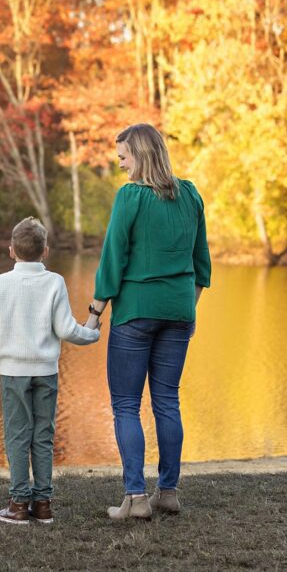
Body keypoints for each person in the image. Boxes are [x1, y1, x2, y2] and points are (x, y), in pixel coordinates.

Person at [85, 123, 211, 520]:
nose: (121, 165)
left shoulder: (131, 197)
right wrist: (186, 309)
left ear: (141, 154)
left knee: (125, 403)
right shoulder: (189, 194)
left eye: (124, 157)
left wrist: (94, 314)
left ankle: (136, 498)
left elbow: (113, 258)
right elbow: (201, 264)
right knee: (167, 401)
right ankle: (168, 492)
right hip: (177, 312)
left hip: (136, 313)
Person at [0, 217, 101, 525]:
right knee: (43, 436)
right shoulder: (55, 281)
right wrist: (93, 332)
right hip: (46, 372)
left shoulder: (1, 283)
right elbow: (66, 329)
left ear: (11, 251)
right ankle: (43, 503)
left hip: (13, 373)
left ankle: (19, 503)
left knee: (18, 436)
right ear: (46, 251)